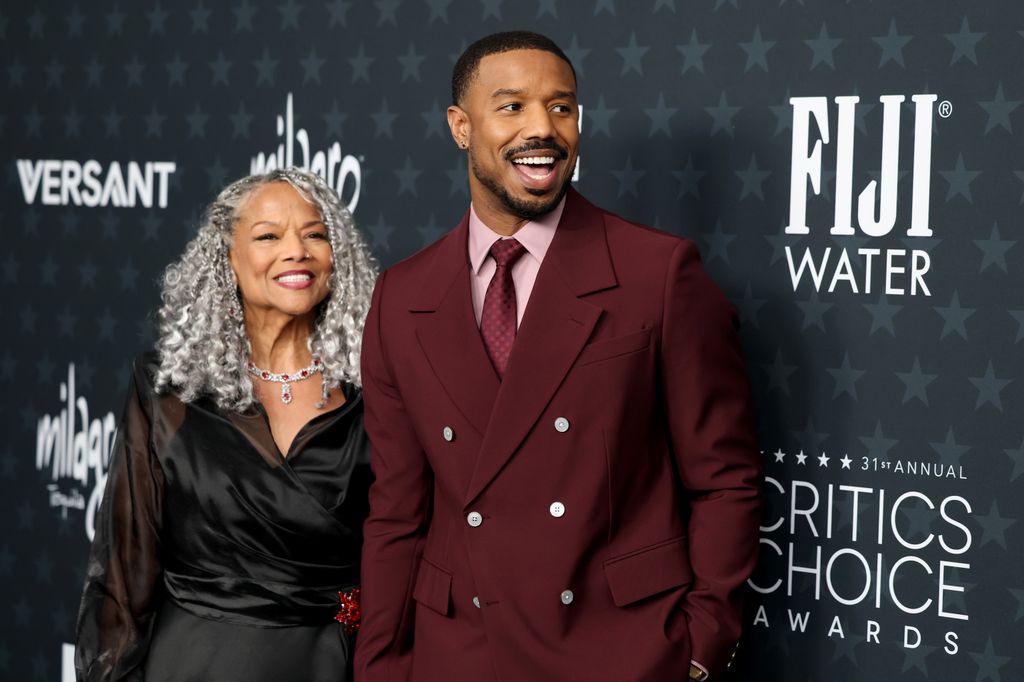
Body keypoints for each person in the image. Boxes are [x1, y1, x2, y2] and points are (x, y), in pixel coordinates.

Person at [355, 31, 763, 682]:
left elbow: (725, 479)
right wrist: (380, 668)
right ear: (461, 127)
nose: (543, 129)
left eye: (563, 107)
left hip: (617, 650)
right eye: (512, 107)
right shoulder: (401, 298)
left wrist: (700, 647)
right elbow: (398, 515)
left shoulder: (657, 273)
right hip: (459, 654)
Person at [75, 167, 378, 681]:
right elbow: (126, 578)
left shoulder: (380, 393)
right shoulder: (167, 391)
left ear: (339, 257)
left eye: (315, 234)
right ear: (226, 260)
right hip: (194, 665)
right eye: (268, 236)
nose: (296, 251)